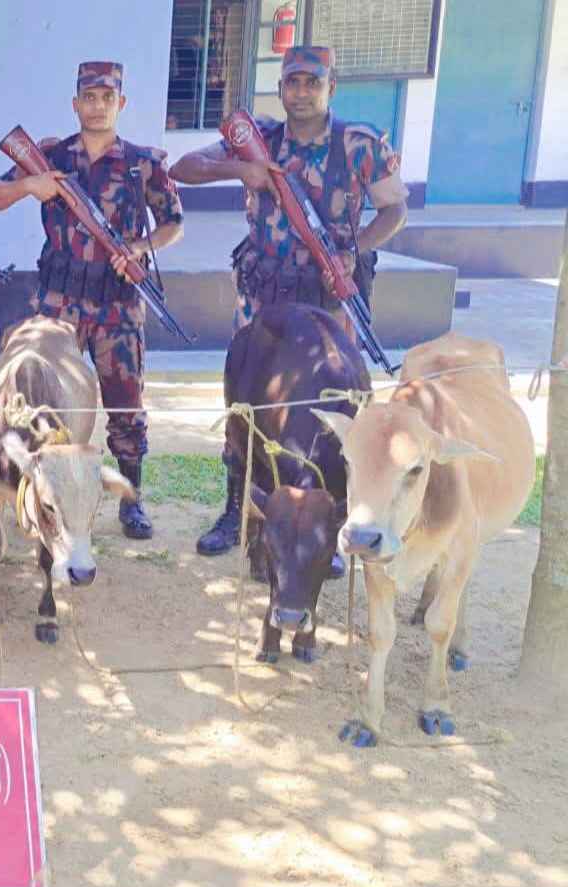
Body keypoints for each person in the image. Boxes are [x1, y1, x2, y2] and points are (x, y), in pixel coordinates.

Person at [170, 45, 408, 557]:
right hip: (265, 296)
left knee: (342, 406)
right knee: (244, 404)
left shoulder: (359, 144)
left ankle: (335, 519)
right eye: (293, 83)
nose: (301, 93)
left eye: (312, 83)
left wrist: (354, 250)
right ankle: (239, 510)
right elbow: (184, 168)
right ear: (280, 90)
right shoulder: (261, 139)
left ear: (331, 88)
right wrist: (240, 170)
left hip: (330, 295)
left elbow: (395, 208)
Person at [0, 61, 185, 540]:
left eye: (107, 98)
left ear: (121, 104)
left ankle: (131, 499)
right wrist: (32, 185)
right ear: (76, 103)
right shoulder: (51, 155)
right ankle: (40, 489)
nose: (97, 106)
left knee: (125, 402)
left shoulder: (144, 163)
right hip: (58, 305)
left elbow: (174, 223)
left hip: (118, 305)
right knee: (40, 401)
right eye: (89, 98)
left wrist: (139, 248)